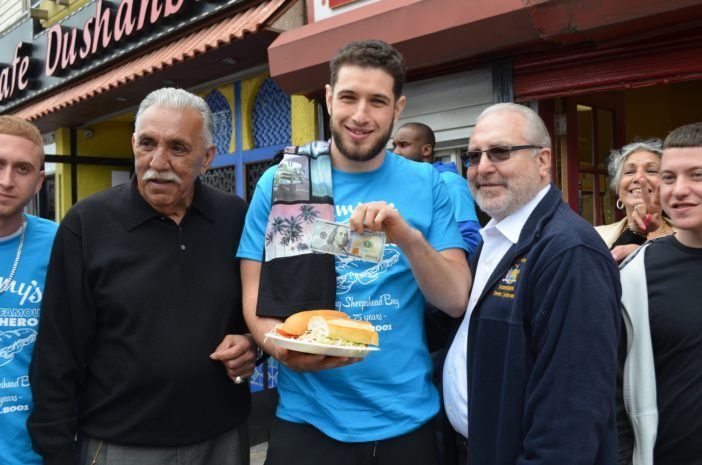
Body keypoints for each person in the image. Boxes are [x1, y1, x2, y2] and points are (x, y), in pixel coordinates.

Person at [236, 40, 471, 465]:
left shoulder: (428, 184)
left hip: (407, 420)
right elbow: (254, 295)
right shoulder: (281, 182)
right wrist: (280, 348)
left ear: (397, 108)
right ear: (328, 98)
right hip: (308, 421)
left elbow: (454, 299)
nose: (361, 116)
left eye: (377, 101)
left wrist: (407, 237)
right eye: (348, 97)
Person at [28, 88, 256, 465]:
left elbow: (257, 311)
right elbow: (57, 349)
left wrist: (253, 346)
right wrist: (56, 450)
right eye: (147, 144)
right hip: (120, 444)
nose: (158, 161)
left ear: (207, 158)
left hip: (222, 439)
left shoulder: (235, 218)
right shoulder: (87, 224)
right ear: (133, 143)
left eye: (178, 148)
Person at [443, 103, 621, 465]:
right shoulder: (494, 239)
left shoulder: (571, 252)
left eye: (501, 152)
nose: (483, 167)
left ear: (543, 161)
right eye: (474, 156)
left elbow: (573, 409)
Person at [618, 122, 702, 465]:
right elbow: (612, 392)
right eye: (668, 178)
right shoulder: (634, 275)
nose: (679, 190)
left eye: (696, 175)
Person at [0, 116, 57, 465]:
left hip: (32, 453)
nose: (6, 180)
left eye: (22, 169)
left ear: (38, 183)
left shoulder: (61, 245)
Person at [392, 122, 481, 254]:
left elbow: (472, 239)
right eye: (394, 146)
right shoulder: (406, 186)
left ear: (426, 150)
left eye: (403, 145)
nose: (395, 152)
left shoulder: (450, 182)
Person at [595, 140, 675, 262]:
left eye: (651, 170)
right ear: (617, 188)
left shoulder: (691, 237)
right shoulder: (595, 236)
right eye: (629, 172)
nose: (639, 178)